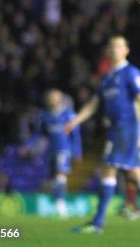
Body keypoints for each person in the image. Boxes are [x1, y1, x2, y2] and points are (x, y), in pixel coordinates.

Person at [65, 36, 140, 235]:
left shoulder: (131, 73)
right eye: (111, 46)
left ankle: (97, 223)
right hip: (115, 130)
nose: (114, 49)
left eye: (118, 46)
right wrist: (75, 120)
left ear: (126, 50)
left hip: (127, 128)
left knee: (109, 168)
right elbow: (94, 103)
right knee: (134, 174)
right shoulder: (107, 77)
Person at [40, 88, 81, 218]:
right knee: (53, 179)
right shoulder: (45, 116)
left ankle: (61, 206)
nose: (51, 99)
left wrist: (77, 152)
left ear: (60, 99)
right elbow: (40, 133)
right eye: (49, 97)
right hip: (51, 150)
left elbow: (76, 135)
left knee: (60, 174)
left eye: (54, 97)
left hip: (64, 149)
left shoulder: (68, 115)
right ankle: (58, 202)